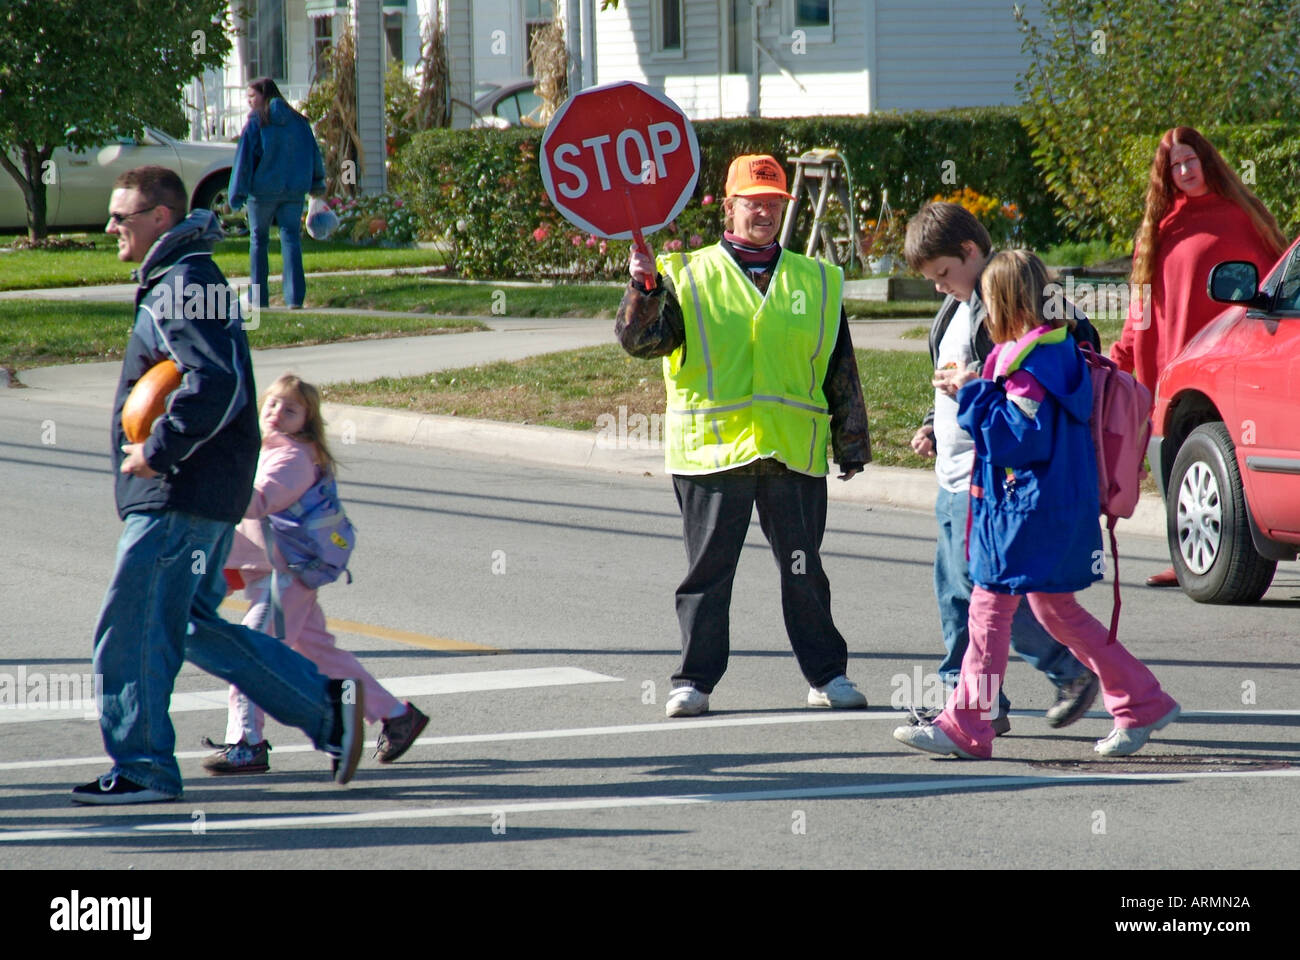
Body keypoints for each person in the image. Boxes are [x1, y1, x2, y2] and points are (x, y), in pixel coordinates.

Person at [79, 165, 364, 805]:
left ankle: (145, 768)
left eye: (120, 217)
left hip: (180, 497)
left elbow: (217, 384)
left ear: (159, 219)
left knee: (130, 631)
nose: (109, 227)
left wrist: (157, 452)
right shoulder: (183, 278)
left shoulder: (182, 283)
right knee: (187, 626)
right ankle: (328, 710)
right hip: (198, 496)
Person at [894, 250, 1180, 760]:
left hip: (1023, 514)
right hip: (1050, 510)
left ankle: (967, 725)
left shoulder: (1031, 365)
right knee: (1056, 611)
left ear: (1005, 301)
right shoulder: (1056, 351)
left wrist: (973, 392)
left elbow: (1018, 440)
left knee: (988, 611)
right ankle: (1141, 700)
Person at [616, 154, 872, 718]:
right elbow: (639, 341)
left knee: (804, 569)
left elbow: (838, 365)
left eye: (773, 202)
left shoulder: (816, 280)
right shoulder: (684, 273)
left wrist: (851, 442)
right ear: (728, 207)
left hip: (791, 451)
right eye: (752, 202)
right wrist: (643, 286)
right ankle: (694, 681)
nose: (763, 211)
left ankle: (828, 674)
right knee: (708, 573)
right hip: (712, 453)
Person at [903, 202, 1100, 734]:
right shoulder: (958, 306)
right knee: (958, 594)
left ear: (970, 251)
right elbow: (955, 377)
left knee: (990, 594)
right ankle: (975, 703)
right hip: (955, 474)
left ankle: (1050, 677)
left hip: (994, 481)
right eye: (931, 280)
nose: (940, 287)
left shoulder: (1012, 300)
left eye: (944, 273)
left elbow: (1054, 367)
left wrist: (973, 396)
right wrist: (931, 422)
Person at [203, 374, 429, 773]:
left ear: (306, 420)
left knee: (250, 655)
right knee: (322, 656)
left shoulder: (292, 458)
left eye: (290, 409)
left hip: (285, 577)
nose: (277, 413)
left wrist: (210, 476)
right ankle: (397, 715)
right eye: (272, 404)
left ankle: (246, 743)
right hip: (279, 573)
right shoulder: (270, 448)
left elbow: (257, 503)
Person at [1110, 127, 1287, 586]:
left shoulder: (1244, 216)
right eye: (1175, 165)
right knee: (1181, 456)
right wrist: (1120, 357)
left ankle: (1217, 553)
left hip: (1237, 359)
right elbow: (1141, 305)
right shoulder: (1159, 228)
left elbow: (1276, 282)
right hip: (1176, 364)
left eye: (1191, 160)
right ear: (1165, 176)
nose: (1185, 171)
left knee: (1223, 457)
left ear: (1207, 160)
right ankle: (1190, 554)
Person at [228, 77, 326, 309]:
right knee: (291, 239)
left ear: (265, 94)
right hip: (294, 191)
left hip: (262, 193)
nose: (249, 102)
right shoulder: (300, 122)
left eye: (252, 96)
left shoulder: (257, 122)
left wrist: (236, 195)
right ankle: (294, 299)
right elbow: (313, 154)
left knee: (258, 241)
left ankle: (259, 299)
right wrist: (317, 184)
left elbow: (244, 161)